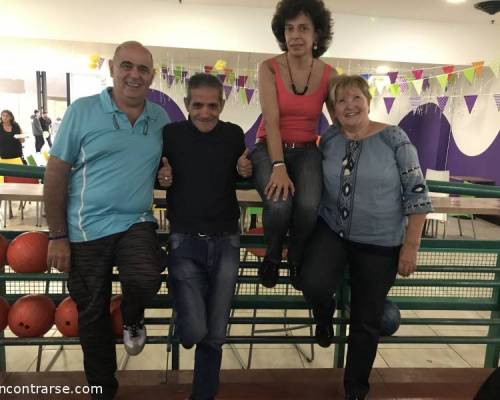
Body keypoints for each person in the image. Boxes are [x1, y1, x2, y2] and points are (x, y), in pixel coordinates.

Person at [44, 41, 169, 400]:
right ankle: (102, 390)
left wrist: (167, 171)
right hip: (84, 229)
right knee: (92, 314)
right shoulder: (82, 111)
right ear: (112, 68)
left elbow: (171, 162)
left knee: (146, 278)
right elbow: (56, 173)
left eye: (143, 69)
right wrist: (57, 235)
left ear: (153, 75)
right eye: (127, 66)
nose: (134, 75)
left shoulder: (159, 118)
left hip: (136, 221)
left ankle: (132, 317)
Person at [301, 75, 433, 400]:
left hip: (380, 243)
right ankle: (324, 314)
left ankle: (355, 390)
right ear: (333, 109)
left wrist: (410, 248)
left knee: (366, 319)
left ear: (368, 100)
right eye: (341, 101)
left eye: (355, 98)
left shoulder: (394, 138)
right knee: (312, 282)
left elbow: (417, 195)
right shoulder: (330, 137)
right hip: (333, 230)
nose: (349, 106)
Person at [157, 73, 252, 400]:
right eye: (198, 105)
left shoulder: (233, 135)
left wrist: (244, 171)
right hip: (184, 240)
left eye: (213, 105)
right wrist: (163, 177)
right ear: (186, 105)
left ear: (222, 105)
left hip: (226, 240)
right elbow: (158, 172)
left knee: (214, 334)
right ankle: (185, 315)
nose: (205, 112)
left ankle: (203, 396)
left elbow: (240, 172)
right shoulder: (170, 134)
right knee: (195, 329)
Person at [252, 0, 337, 290]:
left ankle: (296, 256)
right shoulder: (269, 68)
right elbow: (271, 121)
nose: (295, 35)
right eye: (289, 29)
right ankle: (274, 255)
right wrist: (278, 166)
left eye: (303, 28)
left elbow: (341, 122)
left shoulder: (329, 74)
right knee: (278, 205)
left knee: (309, 205)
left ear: (317, 34)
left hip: (307, 149)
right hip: (268, 147)